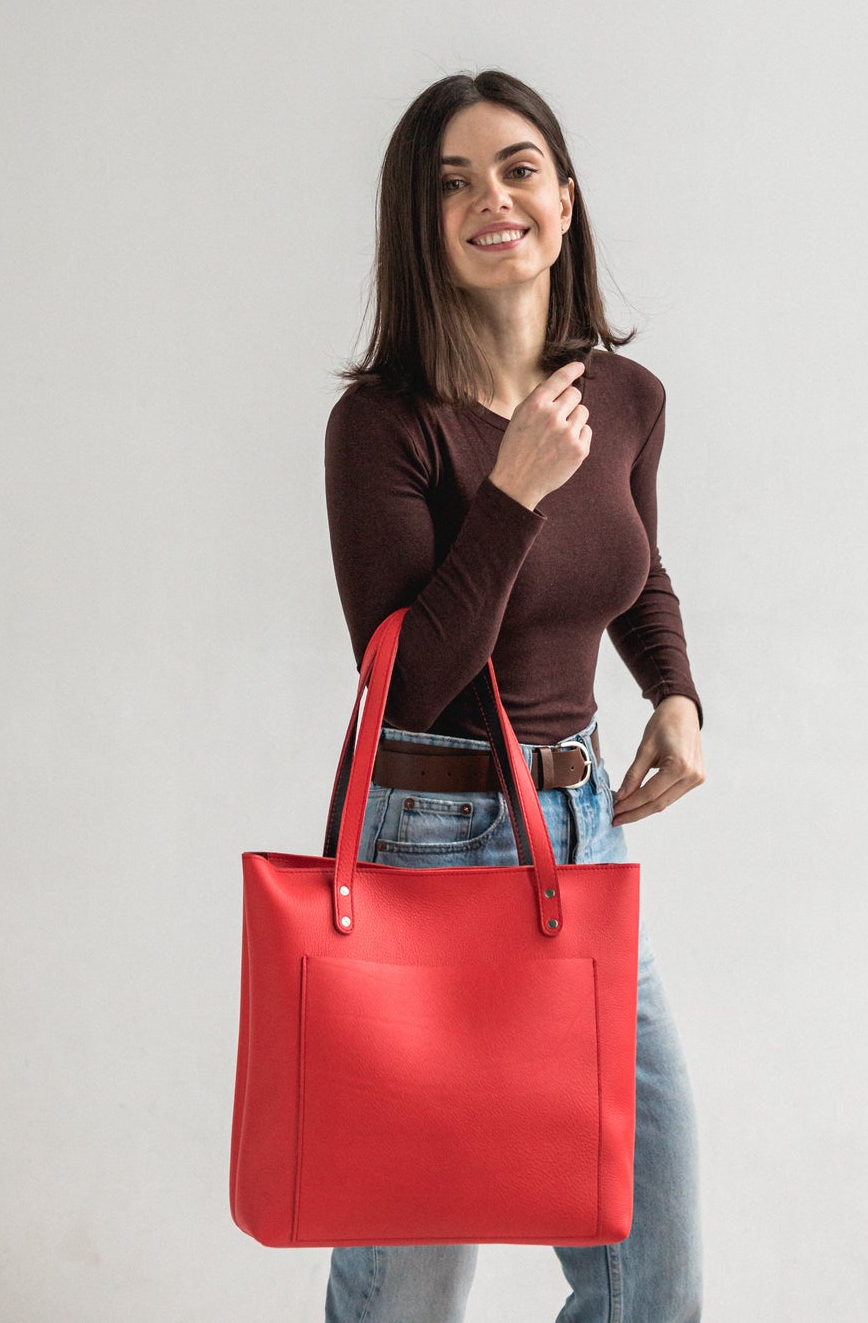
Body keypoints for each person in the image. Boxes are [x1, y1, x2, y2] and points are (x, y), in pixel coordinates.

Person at [321, 69, 706, 1323]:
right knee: (411, 1288)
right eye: (450, 182)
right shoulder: (383, 426)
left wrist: (676, 695)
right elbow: (410, 679)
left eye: (516, 166)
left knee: (649, 1271)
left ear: (563, 198)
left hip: (581, 837)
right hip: (431, 844)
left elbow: (634, 565)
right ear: (418, 226)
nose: (491, 197)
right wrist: (512, 489)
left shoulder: (626, 399)